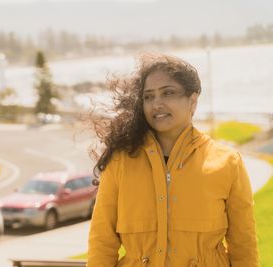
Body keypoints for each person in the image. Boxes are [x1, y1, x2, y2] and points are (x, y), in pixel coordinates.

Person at [87, 54, 258, 267]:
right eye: (148, 96)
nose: (157, 103)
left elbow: (244, 245)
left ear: (193, 101)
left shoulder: (228, 163)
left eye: (168, 93)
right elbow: (101, 242)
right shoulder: (120, 162)